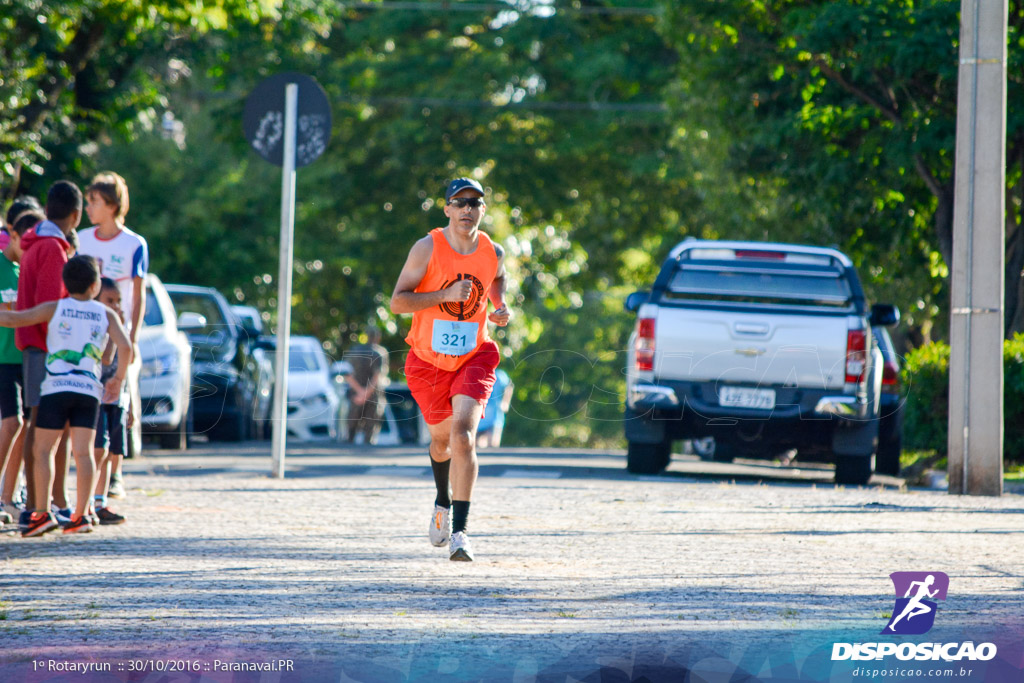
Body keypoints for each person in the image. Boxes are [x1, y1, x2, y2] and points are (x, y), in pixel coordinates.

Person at [390, 177, 511, 562]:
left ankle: (460, 533)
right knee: (441, 440)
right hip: (427, 361)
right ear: (446, 209)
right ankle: (442, 500)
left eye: (474, 203)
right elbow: (397, 302)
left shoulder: (493, 251)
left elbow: (498, 278)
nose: (467, 210)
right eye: (459, 203)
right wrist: (443, 295)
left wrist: (500, 305)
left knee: (463, 438)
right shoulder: (427, 248)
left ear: (482, 210)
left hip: (475, 355)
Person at [0, 255, 132, 537]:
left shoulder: (55, 307)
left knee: (43, 450)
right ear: (96, 285)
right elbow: (126, 347)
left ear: (64, 283)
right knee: (84, 452)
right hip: (89, 391)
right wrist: (117, 379)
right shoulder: (105, 313)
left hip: (56, 388)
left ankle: (42, 512)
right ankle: (82, 515)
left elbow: (15, 319)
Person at [78, 172, 148, 499]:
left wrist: (131, 336)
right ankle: (90, 463)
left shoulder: (134, 244)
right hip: (86, 332)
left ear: (112, 204)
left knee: (118, 398)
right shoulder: (81, 240)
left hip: (118, 334)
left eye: (93, 201)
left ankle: (116, 471)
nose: (88, 207)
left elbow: (139, 291)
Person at [16, 180, 81, 529]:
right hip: (45, 347)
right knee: (41, 425)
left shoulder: (34, 243)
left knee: (37, 424)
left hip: (32, 344)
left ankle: (43, 500)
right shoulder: (53, 248)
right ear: (76, 214)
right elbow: (50, 305)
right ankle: (35, 505)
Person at [0, 209, 43, 525]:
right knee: (12, 424)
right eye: (25, 243)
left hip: (25, 358)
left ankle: (7, 498)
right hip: (1, 359)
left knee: (24, 427)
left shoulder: (27, 270)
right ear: (12, 234)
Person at [90, 277, 128, 525]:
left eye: (118, 301)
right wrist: (115, 334)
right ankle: (89, 501)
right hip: (96, 394)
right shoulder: (97, 325)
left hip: (115, 398)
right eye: (109, 301)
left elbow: (127, 366)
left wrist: (129, 401)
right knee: (97, 449)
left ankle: (100, 501)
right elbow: (106, 359)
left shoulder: (117, 324)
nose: (115, 306)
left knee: (110, 450)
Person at [343, 325, 389, 445]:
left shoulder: (354, 351)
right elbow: (377, 376)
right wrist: (367, 393)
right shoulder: (380, 353)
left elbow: (347, 374)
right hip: (373, 395)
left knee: (350, 431)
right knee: (370, 433)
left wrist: (360, 392)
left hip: (355, 395)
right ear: (378, 337)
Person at [476, 367, 513, 449]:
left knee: (492, 445)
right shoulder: (478, 373)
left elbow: (509, 387)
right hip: (479, 416)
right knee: (475, 446)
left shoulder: (499, 375)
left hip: (495, 416)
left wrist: (505, 402)